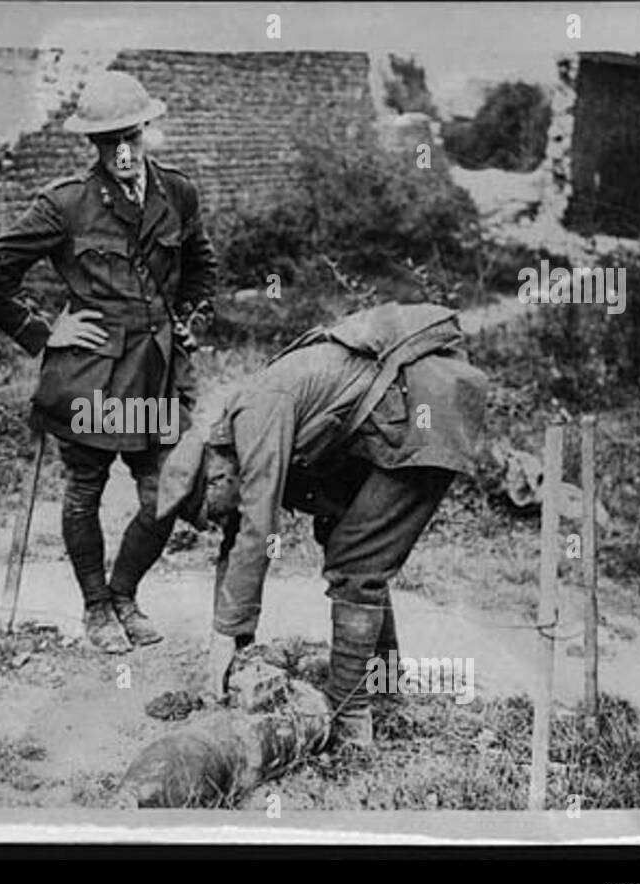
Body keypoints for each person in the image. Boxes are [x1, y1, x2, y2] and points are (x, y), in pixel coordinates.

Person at [158, 302, 488, 747]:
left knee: (356, 561)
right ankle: (384, 685)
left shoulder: (255, 413)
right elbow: (238, 540)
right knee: (347, 542)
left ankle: (351, 717)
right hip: (400, 417)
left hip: (426, 415)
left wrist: (223, 637)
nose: (221, 521)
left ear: (216, 475)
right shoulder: (234, 442)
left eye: (213, 512)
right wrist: (235, 641)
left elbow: (259, 526)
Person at [0, 71, 217, 653]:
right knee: (85, 490)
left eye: (130, 137)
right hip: (92, 377)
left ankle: (125, 592)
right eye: (108, 143)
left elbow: (202, 268)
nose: (122, 152)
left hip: (155, 374)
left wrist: (191, 320)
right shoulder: (67, 204)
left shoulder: (177, 193)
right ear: (94, 146)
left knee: (167, 492)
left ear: (146, 132)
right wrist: (43, 332)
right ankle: (96, 608)